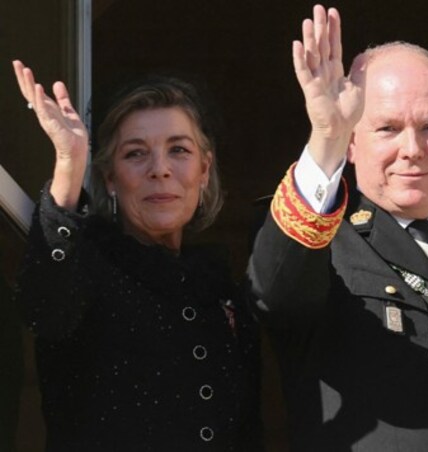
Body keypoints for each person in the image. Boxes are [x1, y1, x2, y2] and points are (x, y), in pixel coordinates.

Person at [247, 5, 428, 450]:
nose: (413, 149)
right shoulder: (326, 241)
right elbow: (274, 293)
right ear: (351, 140)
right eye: (387, 128)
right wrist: (324, 136)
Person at [12, 61, 261, 451]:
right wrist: (69, 165)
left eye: (179, 150)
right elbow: (43, 306)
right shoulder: (86, 266)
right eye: (135, 154)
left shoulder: (222, 292)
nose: (160, 170)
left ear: (203, 169)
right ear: (110, 178)